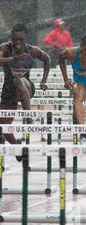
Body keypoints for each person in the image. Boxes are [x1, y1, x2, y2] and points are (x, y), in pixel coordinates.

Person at [0, 23, 50, 161]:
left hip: (26, 88)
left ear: (26, 38)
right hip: (9, 90)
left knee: (19, 80)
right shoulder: (5, 48)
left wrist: (43, 81)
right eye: (15, 39)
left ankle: (28, 117)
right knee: (3, 124)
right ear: (11, 38)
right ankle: (17, 147)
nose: (17, 42)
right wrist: (14, 59)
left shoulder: (32, 50)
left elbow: (47, 60)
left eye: (20, 39)